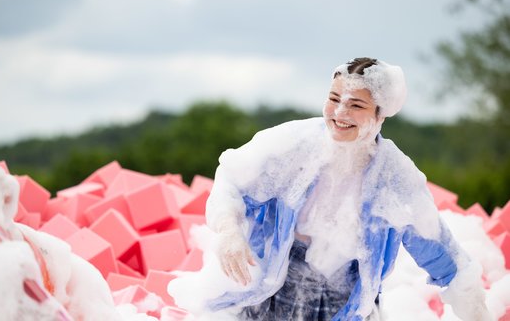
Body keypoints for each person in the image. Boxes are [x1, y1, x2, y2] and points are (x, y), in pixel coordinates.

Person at [170, 58, 490, 321]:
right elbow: (232, 180)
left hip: (346, 298)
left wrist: (477, 312)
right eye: (334, 99)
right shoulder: (293, 145)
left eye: (356, 106)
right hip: (274, 285)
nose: (339, 114)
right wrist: (229, 232)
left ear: (380, 115)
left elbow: (444, 258)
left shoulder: (395, 178)